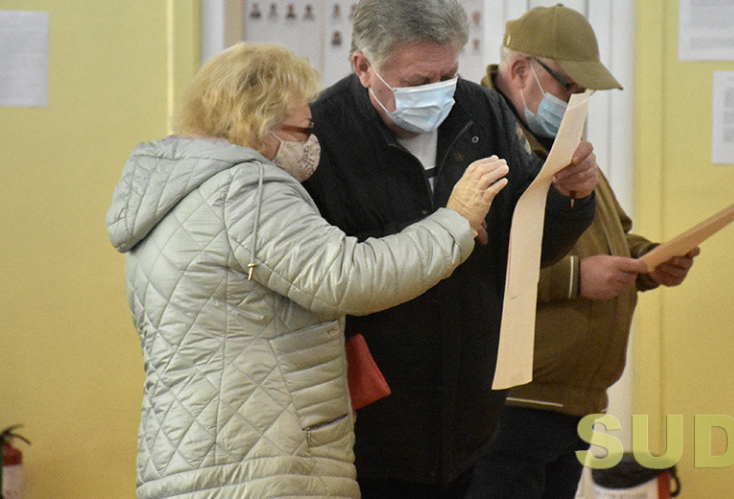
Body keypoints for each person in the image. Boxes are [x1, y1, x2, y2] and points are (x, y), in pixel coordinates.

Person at [105, 42, 509, 499]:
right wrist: (454, 221)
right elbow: (347, 277)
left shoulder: (180, 192)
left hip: (200, 452)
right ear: (257, 126)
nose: (312, 144)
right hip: (259, 463)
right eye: (303, 130)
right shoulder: (244, 191)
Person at [301, 0, 600, 498]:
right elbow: (323, 272)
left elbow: (526, 243)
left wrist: (569, 198)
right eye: (419, 82)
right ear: (364, 67)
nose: (440, 93)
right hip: (369, 426)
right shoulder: (322, 137)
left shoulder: (480, 110)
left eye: (449, 73)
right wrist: (446, 229)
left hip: (473, 418)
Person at [469, 5, 700, 499]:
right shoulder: (478, 142)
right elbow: (469, 267)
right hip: (511, 407)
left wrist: (650, 261)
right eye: (568, 86)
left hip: (573, 406)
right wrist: (576, 279)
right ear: (519, 70)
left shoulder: (559, 141)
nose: (577, 101)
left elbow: (610, 234)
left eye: (584, 91)